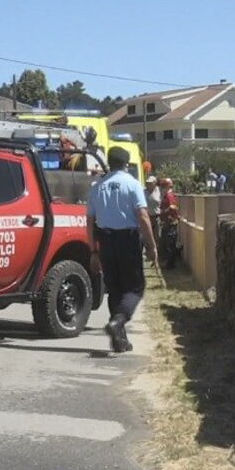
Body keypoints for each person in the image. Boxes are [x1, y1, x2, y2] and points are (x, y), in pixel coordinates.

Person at [87, 147, 158, 355]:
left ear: (109, 163)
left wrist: (93, 251)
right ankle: (118, 321)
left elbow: (89, 221)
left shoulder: (97, 187)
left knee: (115, 289)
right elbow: (143, 217)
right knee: (135, 288)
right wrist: (152, 246)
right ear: (126, 164)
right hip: (127, 239)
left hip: (106, 240)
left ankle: (119, 341)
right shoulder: (132, 184)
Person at [158, 178, 181, 269]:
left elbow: (172, 207)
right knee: (168, 243)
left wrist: (164, 212)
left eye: (163, 186)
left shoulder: (169, 196)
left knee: (170, 244)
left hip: (170, 222)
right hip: (167, 222)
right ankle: (169, 263)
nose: (161, 188)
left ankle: (171, 264)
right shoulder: (166, 195)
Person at [145, 175, 162, 240]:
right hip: (147, 217)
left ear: (154, 183)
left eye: (150, 183)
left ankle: (157, 249)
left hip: (156, 217)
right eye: (147, 183)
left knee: (157, 236)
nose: (148, 184)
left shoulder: (159, 191)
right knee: (148, 237)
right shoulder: (144, 192)